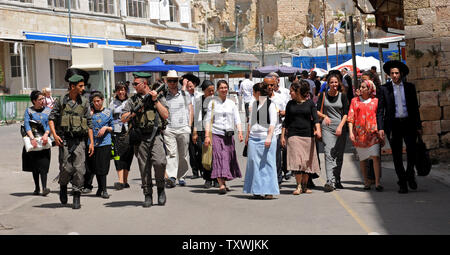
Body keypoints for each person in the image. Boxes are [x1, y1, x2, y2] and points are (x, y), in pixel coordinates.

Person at [121, 72, 169, 207]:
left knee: (160, 162)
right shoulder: (133, 100)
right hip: (140, 137)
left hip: (156, 135)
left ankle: (161, 189)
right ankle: (147, 194)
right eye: (133, 84)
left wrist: (155, 101)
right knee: (144, 167)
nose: (134, 86)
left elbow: (165, 115)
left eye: (136, 84)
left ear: (144, 83)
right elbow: (123, 118)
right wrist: (134, 112)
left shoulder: (158, 96)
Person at [49, 68, 94, 209]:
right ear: (72, 86)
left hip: (80, 141)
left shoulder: (85, 102)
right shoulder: (61, 101)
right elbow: (51, 118)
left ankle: (76, 194)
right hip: (65, 140)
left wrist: (91, 142)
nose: (83, 88)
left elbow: (89, 123)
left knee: (80, 170)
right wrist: (55, 135)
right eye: (80, 86)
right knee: (66, 169)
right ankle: (63, 185)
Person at [377, 60, 422, 194]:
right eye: (392, 73)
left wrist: (418, 125)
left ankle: (410, 174)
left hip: (409, 123)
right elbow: (380, 110)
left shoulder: (410, 87)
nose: (395, 75)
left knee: (411, 151)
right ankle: (402, 181)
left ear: (401, 74)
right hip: (393, 125)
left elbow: (415, 108)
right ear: (389, 75)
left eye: (397, 73)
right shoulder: (384, 89)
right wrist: (381, 128)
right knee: (396, 155)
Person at [281, 80, 321, 195]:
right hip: (293, 136)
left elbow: (315, 119)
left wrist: (318, 131)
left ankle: (305, 185)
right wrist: (283, 136)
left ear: (298, 91)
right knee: (297, 161)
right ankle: (298, 186)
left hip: (308, 136)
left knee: (306, 162)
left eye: (292, 91)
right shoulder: (290, 104)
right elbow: (286, 121)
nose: (290, 93)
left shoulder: (310, 104)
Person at [204, 80, 243, 194]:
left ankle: (224, 182)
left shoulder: (232, 103)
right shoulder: (212, 103)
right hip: (216, 134)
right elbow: (208, 120)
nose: (224, 90)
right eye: (221, 88)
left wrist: (240, 131)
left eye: (225, 87)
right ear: (217, 90)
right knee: (219, 158)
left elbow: (237, 118)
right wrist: (207, 136)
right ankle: (221, 184)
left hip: (229, 135)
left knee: (227, 158)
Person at [243, 82, 279, 199]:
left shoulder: (271, 104)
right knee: (254, 163)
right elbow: (250, 121)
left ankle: (269, 191)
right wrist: (247, 136)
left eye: (253, 92)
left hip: (266, 137)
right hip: (254, 137)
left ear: (258, 92)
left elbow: (273, 122)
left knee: (268, 164)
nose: (252, 94)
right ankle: (257, 189)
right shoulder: (254, 104)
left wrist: (269, 137)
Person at [348, 80, 383, 191]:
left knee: (375, 157)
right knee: (363, 159)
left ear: (369, 89)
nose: (361, 89)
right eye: (361, 87)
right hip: (360, 134)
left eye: (364, 87)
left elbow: (379, 116)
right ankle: (366, 181)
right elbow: (351, 117)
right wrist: (350, 132)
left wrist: (381, 131)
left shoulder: (376, 101)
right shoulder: (355, 101)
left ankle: (377, 182)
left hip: (373, 134)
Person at [316, 73, 349, 192]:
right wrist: (324, 116)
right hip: (327, 127)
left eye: (336, 82)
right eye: (331, 82)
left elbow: (346, 113)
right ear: (328, 84)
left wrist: (341, 126)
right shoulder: (323, 95)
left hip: (340, 127)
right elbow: (316, 111)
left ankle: (337, 178)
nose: (334, 85)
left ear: (339, 83)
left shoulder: (343, 96)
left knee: (338, 155)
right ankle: (330, 181)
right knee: (328, 153)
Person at [163, 70, 194, 188]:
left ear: (178, 81)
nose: (172, 83)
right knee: (171, 153)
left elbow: (190, 109)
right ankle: (172, 177)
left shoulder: (185, 94)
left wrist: (189, 126)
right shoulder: (164, 95)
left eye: (174, 80)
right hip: (169, 128)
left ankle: (181, 176)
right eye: (170, 80)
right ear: (166, 81)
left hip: (183, 128)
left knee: (183, 154)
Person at [22, 90, 52, 196]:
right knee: (35, 166)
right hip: (33, 141)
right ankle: (37, 187)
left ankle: (44, 187)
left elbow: (50, 123)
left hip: (44, 141)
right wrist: (32, 138)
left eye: (43, 98)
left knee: (44, 165)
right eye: (40, 99)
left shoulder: (48, 110)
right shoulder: (29, 111)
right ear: (34, 101)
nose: (42, 101)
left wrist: (46, 134)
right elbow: (27, 125)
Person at [83, 91, 113, 199]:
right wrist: (89, 115)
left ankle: (104, 189)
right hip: (92, 143)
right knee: (94, 167)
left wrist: (106, 128)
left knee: (103, 167)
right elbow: (85, 126)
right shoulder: (89, 113)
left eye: (98, 101)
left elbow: (113, 126)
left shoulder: (108, 112)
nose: (96, 103)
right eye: (94, 101)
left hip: (105, 143)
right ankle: (100, 188)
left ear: (102, 100)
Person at [192, 80, 218, 188]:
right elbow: (197, 118)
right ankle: (207, 178)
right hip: (203, 131)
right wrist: (195, 132)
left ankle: (216, 178)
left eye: (213, 91)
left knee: (216, 155)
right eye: (209, 91)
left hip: (216, 130)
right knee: (205, 155)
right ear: (203, 91)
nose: (212, 93)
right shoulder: (199, 101)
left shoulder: (217, 100)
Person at [110, 83, 134, 190]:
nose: (121, 92)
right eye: (119, 90)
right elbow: (109, 118)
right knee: (117, 156)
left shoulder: (131, 102)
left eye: (123, 89)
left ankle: (125, 180)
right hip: (117, 133)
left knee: (128, 156)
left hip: (129, 132)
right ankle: (120, 181)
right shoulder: (112, 103)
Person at [182, 73, 202, 179]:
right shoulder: (184, 95)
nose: (190, 88)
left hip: (198, 123)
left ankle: (203, 168)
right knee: (191, 150)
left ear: (195, 85)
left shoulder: (200, 95)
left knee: (200, 147)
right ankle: (195, 172)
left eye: (191, 86)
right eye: (188, 87)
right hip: (188, 123)